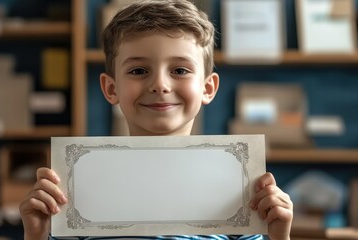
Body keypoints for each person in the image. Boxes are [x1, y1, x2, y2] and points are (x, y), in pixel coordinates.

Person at [19, 0, 293, 239]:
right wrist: (36, 235)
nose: (160, 85)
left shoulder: (239, 183)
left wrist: (280, 237)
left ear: (207, 88)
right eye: (138, 70)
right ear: (111, 89)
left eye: (180, 70)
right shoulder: (75, 183)